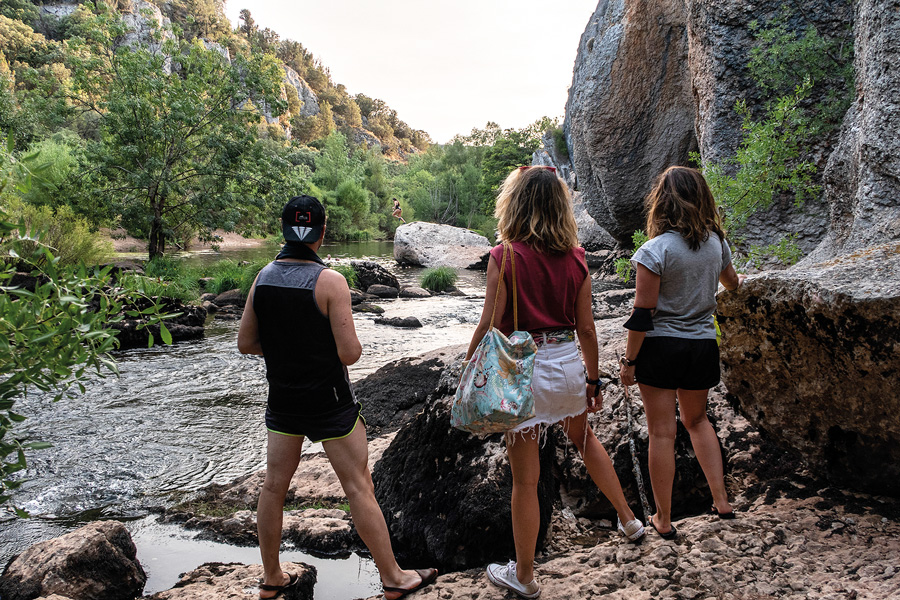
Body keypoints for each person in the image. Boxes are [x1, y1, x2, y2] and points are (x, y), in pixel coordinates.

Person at [238, 195, 437, 600]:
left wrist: (286, 350)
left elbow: (246, 343)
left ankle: (272, 578)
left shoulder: (263, 277)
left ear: (283, 229)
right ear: (322, 233)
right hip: (330, 402)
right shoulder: (330, 281)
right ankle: (394, 578)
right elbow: (350, 353)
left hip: (284, 401)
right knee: (358, 487)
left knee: (273, 487)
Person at [464, 166, 645, 600]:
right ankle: (628, 520)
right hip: (567, 363)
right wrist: (594, 378)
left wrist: (470, 366)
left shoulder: (503, 256)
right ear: (561, 208)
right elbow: (587, 329)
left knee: (525, 481)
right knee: (584, 441)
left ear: (515, 204)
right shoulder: (577, 258)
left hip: (525, 369)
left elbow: (490, 323)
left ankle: (524, 577)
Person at [618, 166, 744, 540]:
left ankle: (664, 518)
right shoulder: (716, 244)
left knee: (662, 432)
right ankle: (722, 502)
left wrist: (629, 362)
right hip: (702, 345)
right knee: (698, 421)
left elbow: (644, 313)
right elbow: (733, 284)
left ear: (661, 202)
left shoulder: (654, 251)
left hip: (662, 347)